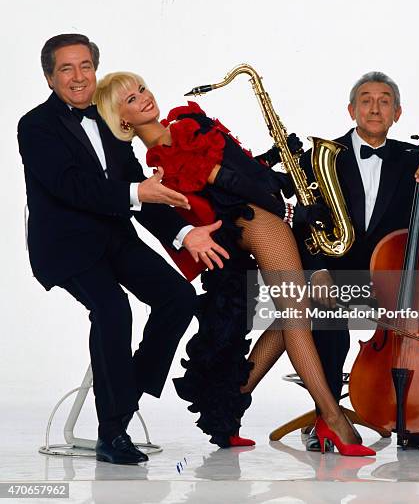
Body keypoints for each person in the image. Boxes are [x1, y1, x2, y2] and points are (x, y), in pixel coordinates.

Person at [94, 71, 377, 456]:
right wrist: (285, 208)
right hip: (255, 225)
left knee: (299, 311)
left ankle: (229, 407)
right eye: (130, 99)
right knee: (294, 317)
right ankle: (332, 418)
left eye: (142, 88)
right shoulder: (164, 160)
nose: (143, 97)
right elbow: (228, 188)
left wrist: (276, 163)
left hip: (258, 220)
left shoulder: (186, 123)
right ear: (121, 119)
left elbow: (237, 173)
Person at [17, 34, 228, 465]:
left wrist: (184, 235)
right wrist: (137, 191)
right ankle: (112, 433)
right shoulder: (35, 125)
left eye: (85, 66)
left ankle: (126, 395)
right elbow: (73, 187)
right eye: (66, 69)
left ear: (95, 68)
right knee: (113, 310)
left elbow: (143, 192)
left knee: (179, 297)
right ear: (49, 77)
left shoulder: (108, 119)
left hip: (114, 237)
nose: (79, 77)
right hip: (66, 246)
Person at [295, 71, 419, 451]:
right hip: (337, 273)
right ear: (351, 109)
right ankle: (326, 418)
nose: (374, 107)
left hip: (396, 280)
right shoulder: (320, 155)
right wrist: (314, 271)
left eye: (384, 101)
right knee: (328, 322)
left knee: (413, 331)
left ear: (397, 113)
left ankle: (415, 418)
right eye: (366, 100)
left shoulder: (414, 158)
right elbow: (301, 218)